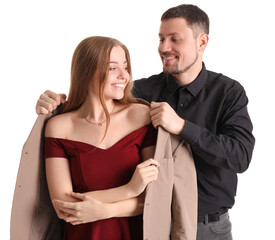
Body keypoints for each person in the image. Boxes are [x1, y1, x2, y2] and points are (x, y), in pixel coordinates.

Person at [36, 4, 255, 240]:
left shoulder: (228, 92)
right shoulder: (142, 92)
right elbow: (97, 98)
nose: (164, 47)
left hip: (206, 227)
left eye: (174, 39)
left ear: (202, 42)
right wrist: (55, 104)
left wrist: (182, 126)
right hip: (148, 221)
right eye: (161, 39)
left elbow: (240, 156)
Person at [44, 36, 160, 240]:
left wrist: (103, 211)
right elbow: (62, 205)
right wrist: (128, 190)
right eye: (113, 68)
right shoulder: (59, 127)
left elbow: (154, 198)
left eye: (126, 67)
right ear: (87, 72)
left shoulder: (141, 116)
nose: (125, 76)